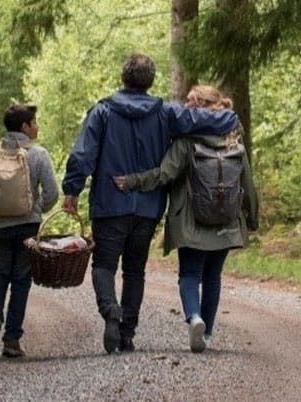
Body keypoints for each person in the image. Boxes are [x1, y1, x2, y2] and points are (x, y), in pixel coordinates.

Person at [62, 54, 239, 354]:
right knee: (135, 271)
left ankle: (110, 311)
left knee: (104, 265)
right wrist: (230, 117)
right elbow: (218, 119)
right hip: (147, 208)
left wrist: (72, 190)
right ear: (151, 81)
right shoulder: (166, 113)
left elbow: (83, 155)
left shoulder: (103, 111)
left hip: (109, 203)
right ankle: (127, 332)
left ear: (123, 77)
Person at [113, 85, 259, 353]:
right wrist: (252, 218)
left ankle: (194, 318)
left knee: (190, 274)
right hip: (226, 221)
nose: (186, 107)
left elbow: (164, 174)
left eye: (192, 102)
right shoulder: (232, 138)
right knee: (213, 276)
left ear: (205, 106)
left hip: (191, 221)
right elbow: (246, 181)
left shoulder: (186, 140)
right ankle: (208, 334)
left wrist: (133, 181)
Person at [0, 104, 59, 358]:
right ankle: (11, 340)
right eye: (35, 122)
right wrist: (35, 208)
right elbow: (52, 193)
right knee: (21, 280)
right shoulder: (39, 154)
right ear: (24, 127)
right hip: (27, 226)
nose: (37, 126)